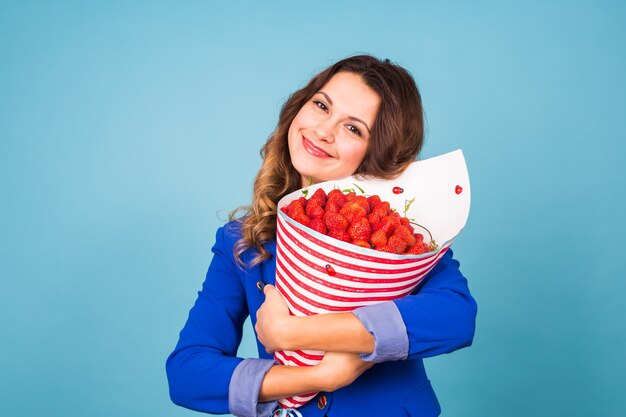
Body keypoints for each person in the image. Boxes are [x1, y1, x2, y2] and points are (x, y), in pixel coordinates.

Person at [166, 55, 477, 417]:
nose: (324, 131)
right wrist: (320, 375)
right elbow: (187, 375)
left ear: (379, 155)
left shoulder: (400, 235)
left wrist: (290, 333)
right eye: (321, 105)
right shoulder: (241, 240)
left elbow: (456, 317)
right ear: (299, 107)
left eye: (353, 128)